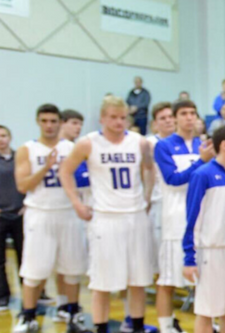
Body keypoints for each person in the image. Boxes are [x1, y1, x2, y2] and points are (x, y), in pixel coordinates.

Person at [59, 96, 156, 333]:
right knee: (102, 283)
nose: (118, 122)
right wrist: (76, 203)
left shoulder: (139, 142)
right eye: (113, 117)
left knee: (138, 280)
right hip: (105, 218)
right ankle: (101, 328)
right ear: (102, 118)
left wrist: (147, 196)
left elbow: (149, 168)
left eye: (123, 117)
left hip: (135, 217)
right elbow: (65, 171)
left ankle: (138, 327)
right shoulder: (88, 143)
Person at [13, 104, 87, 333]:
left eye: (53, 121)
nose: (49, 125)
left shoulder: (72, 147)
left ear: (60, 123)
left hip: (67, 212)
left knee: (73, 267)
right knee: (34, 270)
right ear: (38, 121)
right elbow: (23, 185)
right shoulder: (28, 149)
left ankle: (73, 313)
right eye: (44, 121)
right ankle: (28, 316)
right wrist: (45, 167)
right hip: (40, 213)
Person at [183, 125, 225, 333]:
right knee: (206, 311)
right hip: (211, 252)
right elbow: (192, 218)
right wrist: (189, 257)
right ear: (224, 145)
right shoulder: (202, 175)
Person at [154, 100, 214, 333]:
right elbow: (174, 180)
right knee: (168, 280)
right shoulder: (164, 146)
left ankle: (208, 323)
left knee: (205, 279)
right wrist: (202, 161)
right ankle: (166, 326)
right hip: (176, 220)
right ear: (176, 118)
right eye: (184, 113)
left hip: (204, 221)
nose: (189, 117)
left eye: (192, 113)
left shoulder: (204, 144)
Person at [54, 109, 87, 324]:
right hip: (52, 208)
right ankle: (61, 302)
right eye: (74, 123)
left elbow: (84, 179)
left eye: (80, 124)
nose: (78, 128)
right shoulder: (55, 148)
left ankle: (68, 304)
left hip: (71, 212)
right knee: (55, 262)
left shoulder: (77, 148)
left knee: (69, 262)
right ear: (63, 123)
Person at [146, 102, 177, 260]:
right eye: (162, 118)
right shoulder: (149, 144)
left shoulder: (185, 141)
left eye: (171, 117)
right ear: (155, 123)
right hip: (159, 200)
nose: (168, 121)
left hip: (180, 201)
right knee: (161, 249)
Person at [0, 125, 24, 312]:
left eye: (4, 135)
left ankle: (32, 295)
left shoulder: (20, 158)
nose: (2, 139)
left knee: (25, 257)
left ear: (10, 137)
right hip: (1, 216)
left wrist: (26, 205)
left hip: (20, 214)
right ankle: (3, 296)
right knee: (1, 260)